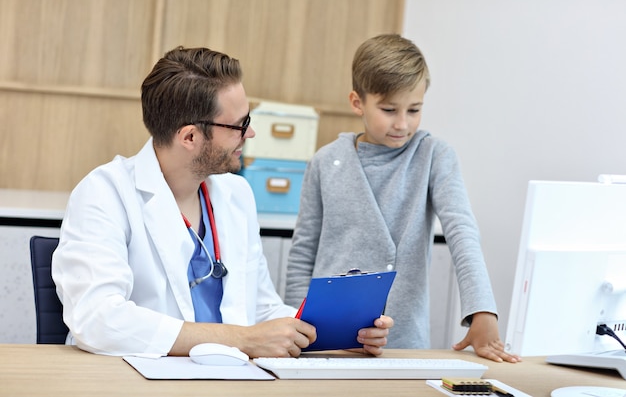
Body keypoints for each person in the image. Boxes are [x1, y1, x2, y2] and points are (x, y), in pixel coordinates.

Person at [51, 46, 393, 357]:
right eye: (239, 125)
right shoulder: (104, 194)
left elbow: (260, 309)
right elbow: (98, 320)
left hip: (230, 380)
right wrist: (242, 340)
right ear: (190, 136)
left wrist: (345, 333)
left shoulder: (236, 194)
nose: (251, 134)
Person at [284, 34, 520, 363]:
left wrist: (482, 310)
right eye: (389, 109)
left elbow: (461, 231)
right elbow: (302, 253)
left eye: (414, 110)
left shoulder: (434, 156)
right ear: (357, 102)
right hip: (326, 340)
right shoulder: (325, 162)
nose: (402, 123)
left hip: (402, 342)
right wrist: (295, 328)